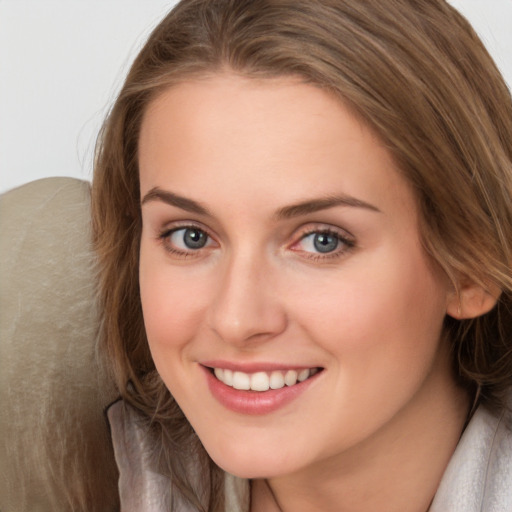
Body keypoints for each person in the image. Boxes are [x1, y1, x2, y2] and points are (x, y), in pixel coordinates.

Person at [91, 0, 512, 510]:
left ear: (471, 264)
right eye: (190, 236)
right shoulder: (60, 470)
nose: (236, 319)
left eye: (322, 240)